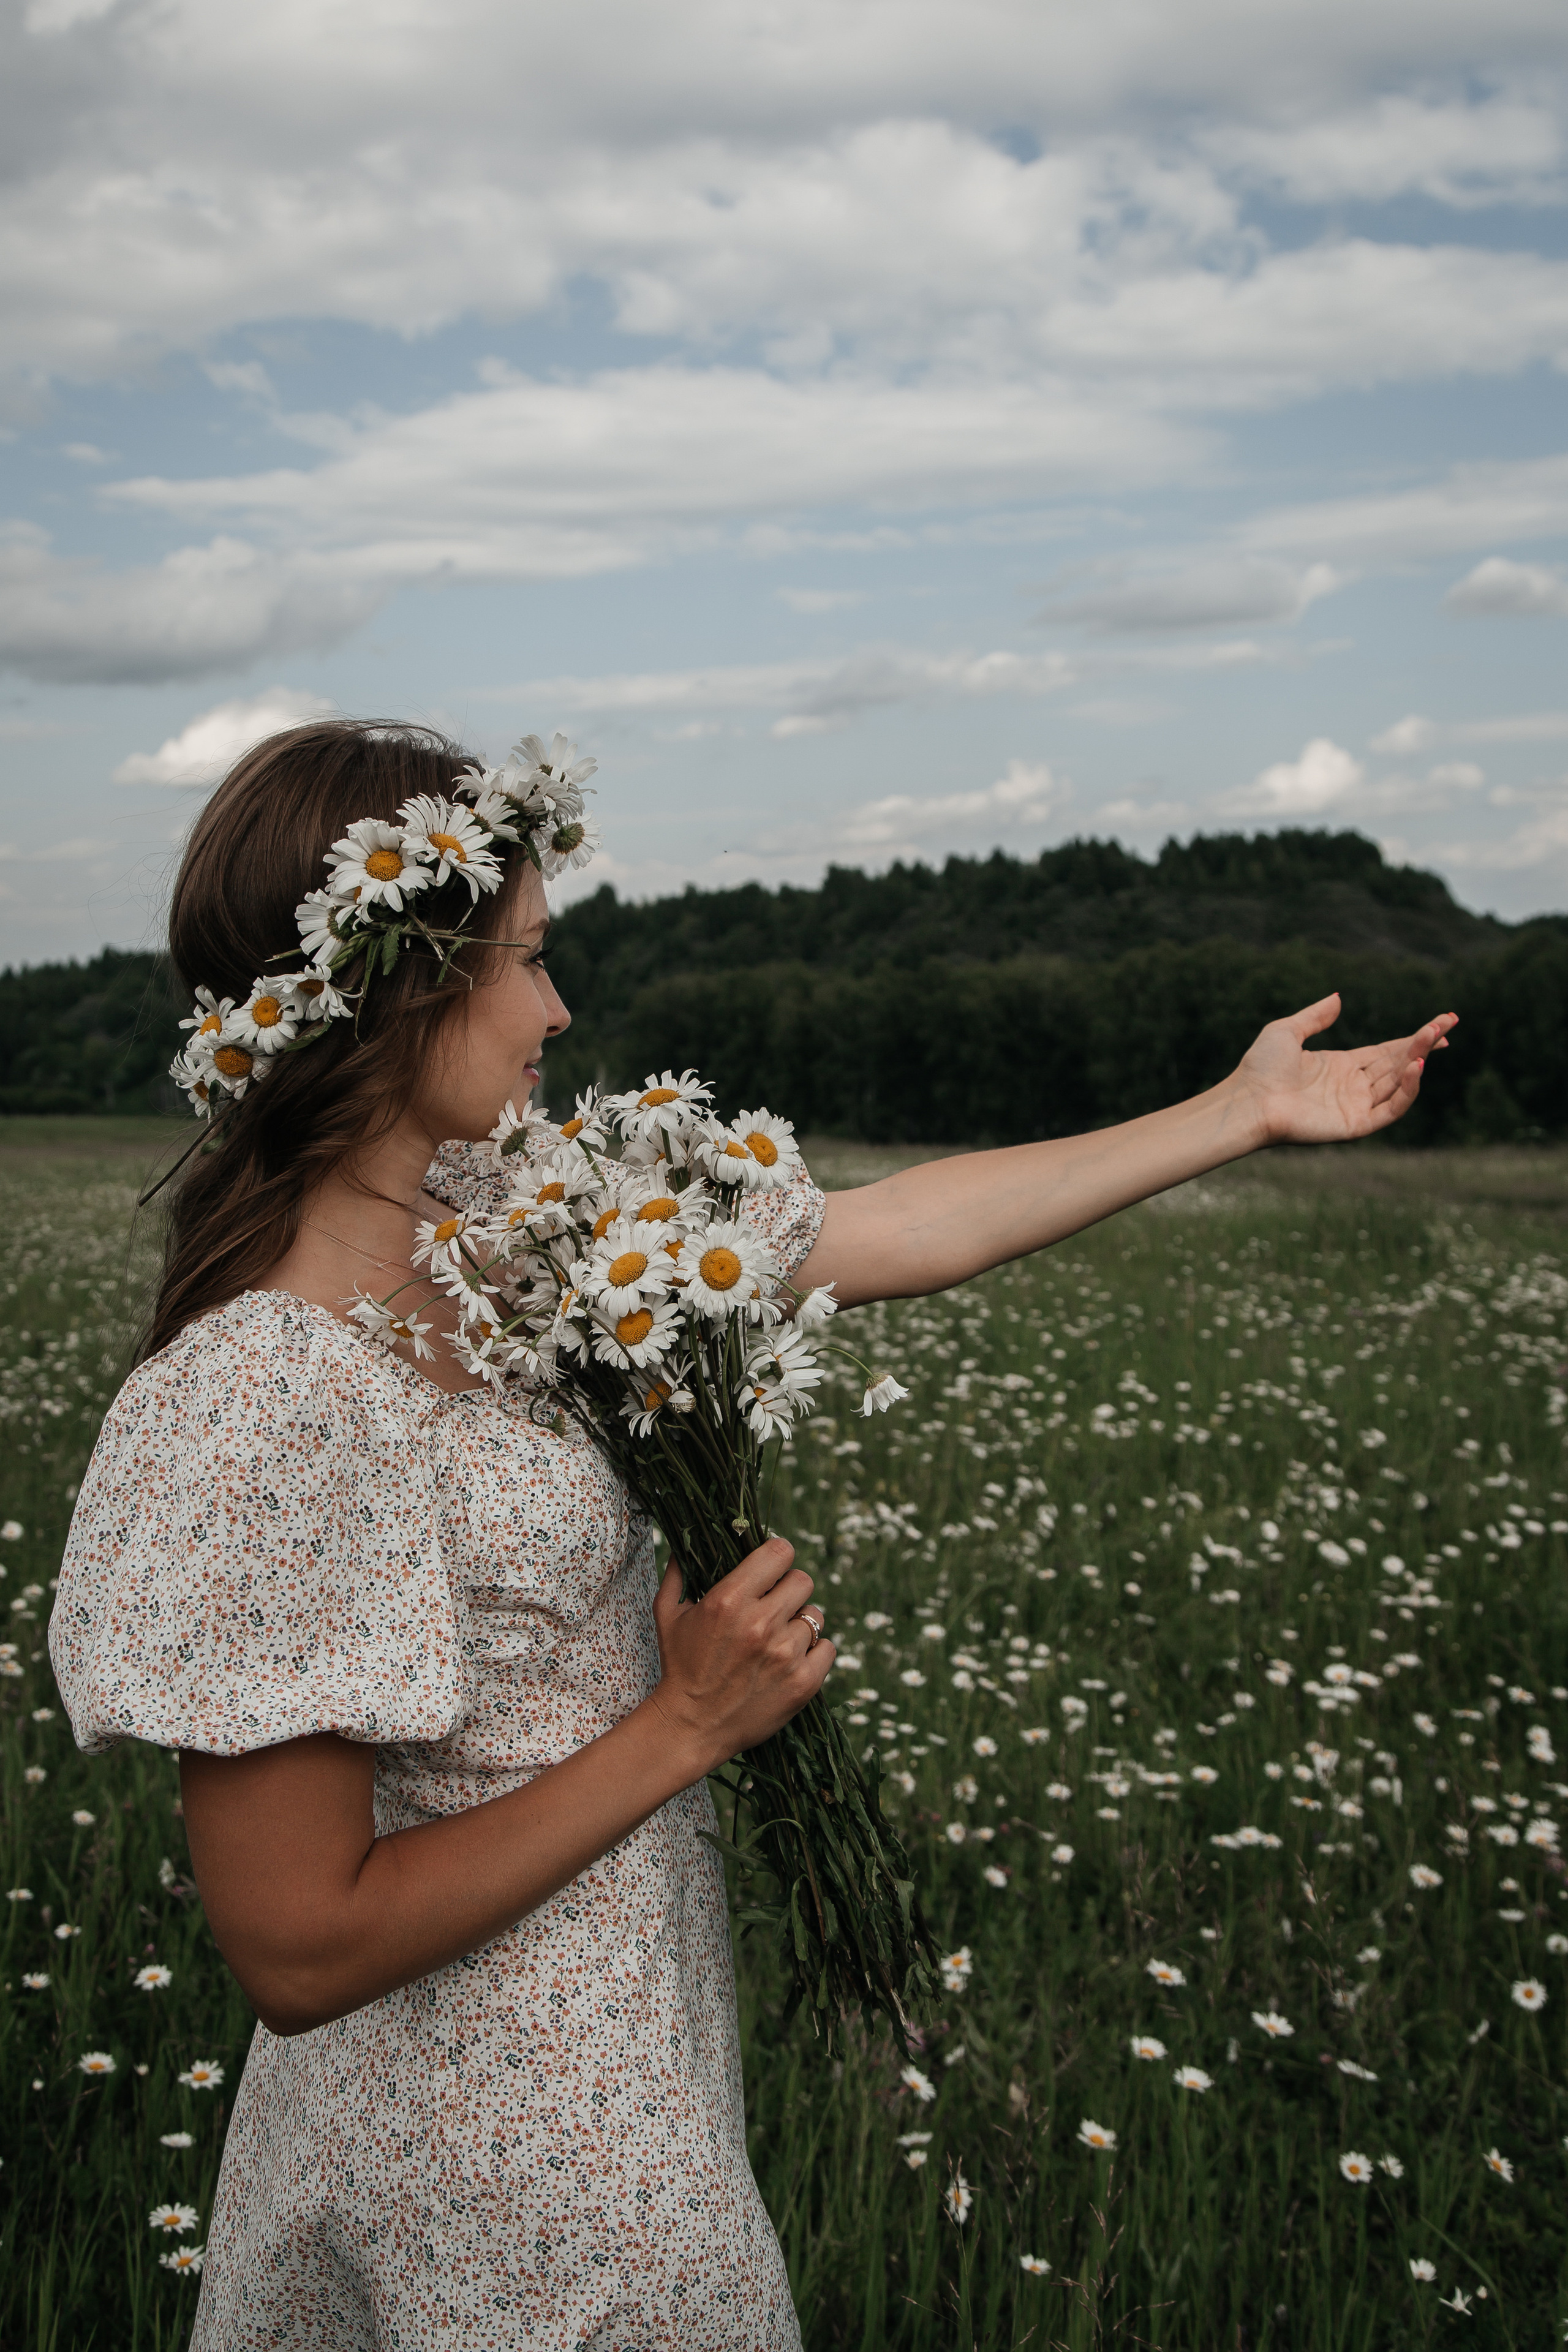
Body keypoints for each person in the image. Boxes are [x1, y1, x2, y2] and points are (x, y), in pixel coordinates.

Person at [49, 720, 1455, 2352]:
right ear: (407, 983)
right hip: (478, 2162)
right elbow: (299, 1946)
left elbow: (893, 1226)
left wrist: (1237, 1112)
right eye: (529, 960)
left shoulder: (519, 1226)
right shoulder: (264, 1392)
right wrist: (689, 1725)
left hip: (635, 2047)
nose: (559, 1012)